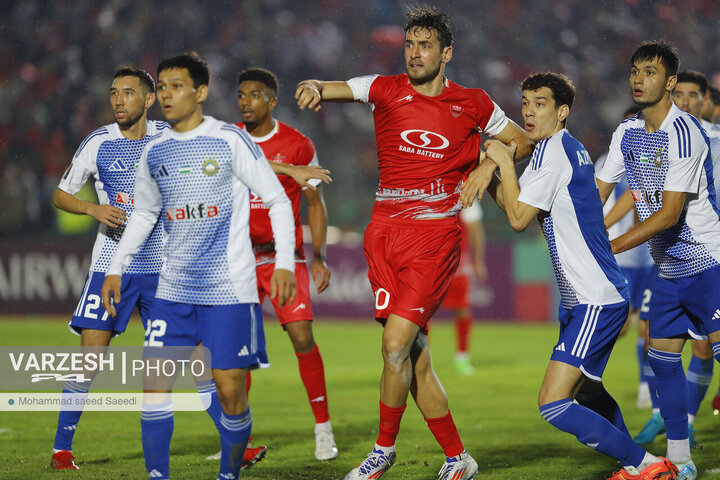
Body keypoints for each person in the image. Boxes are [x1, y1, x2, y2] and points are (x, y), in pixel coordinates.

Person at [295, 6, 531, 480]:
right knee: (411, 356)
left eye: (425, 46)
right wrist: (315, 87)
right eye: (409, 45)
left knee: (395, 342)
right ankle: (457, 457)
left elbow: (520, 141)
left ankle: (383, 450)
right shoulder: (385, 89)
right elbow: (337, 87)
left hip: (434, 237)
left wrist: (487, 166)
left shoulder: (475, 102)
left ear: (447, 53)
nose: (415, 54)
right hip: (383, 234)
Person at [100, 52, 297, 480]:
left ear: (201, 92)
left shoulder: (229, 140)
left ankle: (229, 473)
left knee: (230, 393)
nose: (166, 95)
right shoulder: (154, 149)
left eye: (176, 86)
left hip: (229, 292)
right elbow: (145, 215)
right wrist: (116, 267)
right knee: (154, 389)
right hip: (173, 292)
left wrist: (285, 264)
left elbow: (279, 201)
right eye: (163, 87)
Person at [484, 71, 676, 480]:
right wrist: (490, 176)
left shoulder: (553, 153)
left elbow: (518, 219)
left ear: (562, 111)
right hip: (586, 296)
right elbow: (518, 206)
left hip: (595, 296)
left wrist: (499, 162)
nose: (530, 112)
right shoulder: (556, 149)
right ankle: (638, 463)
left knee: (553, 403)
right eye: (526, 103)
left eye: (541, 103)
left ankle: (646, 464)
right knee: (586, 390)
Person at [596, 40, 720, 480]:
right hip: (668, 271)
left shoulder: (685, 132)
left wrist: (607, 246)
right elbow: (599, 192)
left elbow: (669, 214)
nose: (637, 78)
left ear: (668, 82)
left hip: (709, 266)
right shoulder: (626, 132)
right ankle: (682, 462)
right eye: (634, 70)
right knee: (663, 359)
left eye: (649, 72)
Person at [206, 67, 337, 463]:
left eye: (255, 95)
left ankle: (323, 429)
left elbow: (314, 203)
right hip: (238, 259)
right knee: (234, 350)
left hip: (284, 257)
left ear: (272, 100)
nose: (246, 102)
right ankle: (236, 441)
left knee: (301, 336)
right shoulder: (228, 138)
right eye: (241, 95)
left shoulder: (298, 144)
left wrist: (319, 256)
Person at [49, 66, 168, 470]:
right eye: (114, 92)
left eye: (129, 93)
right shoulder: (98, 142)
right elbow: (61, 195)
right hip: (109, 266)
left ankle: (239, 443)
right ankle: (61, 450)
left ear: (149, 100)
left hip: (162, 267)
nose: (118, 100)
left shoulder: (169, 139)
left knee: (191, 357)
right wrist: (92, 208)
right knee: (90, 360)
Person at [439, 201, 487, 375]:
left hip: (452, 261)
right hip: (439, 260)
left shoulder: (465, 191)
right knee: (425, 311)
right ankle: (460, 358)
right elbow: (475, 229)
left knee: (459, 308)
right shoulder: (462, 189)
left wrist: (478, 261)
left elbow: (474, 228)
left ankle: (461, 358)